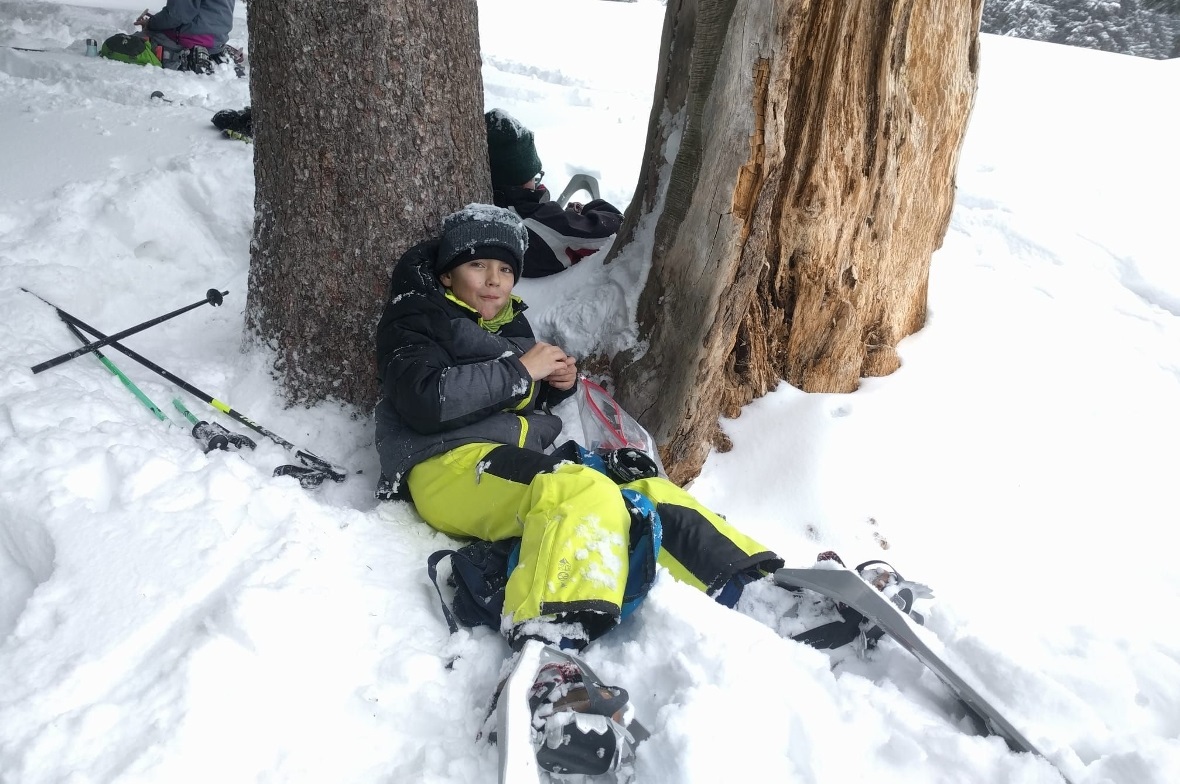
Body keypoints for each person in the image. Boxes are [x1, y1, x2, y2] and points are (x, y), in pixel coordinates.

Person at [485, 108, 625, 277]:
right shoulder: (537, 221)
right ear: (521, 178)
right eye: (534, 176)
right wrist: (587, 211)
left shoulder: (490, 210)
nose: (537, 183)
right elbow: (616, 230)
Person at [132, 0, 236, 73]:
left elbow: (176, 16)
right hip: (216, 38)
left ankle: (177, 58)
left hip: (191, 36)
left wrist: (150, 23)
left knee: (131, 42)